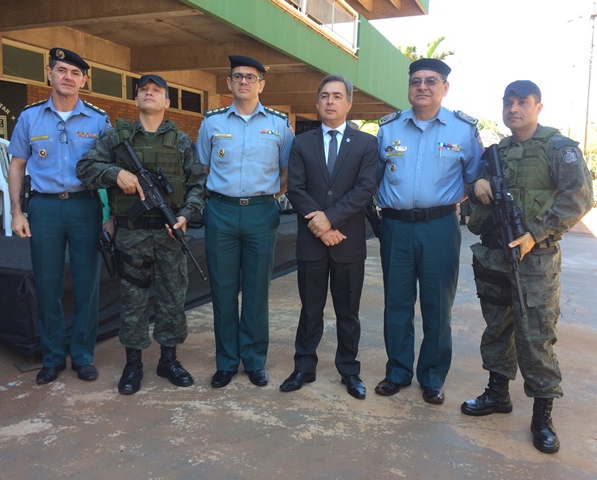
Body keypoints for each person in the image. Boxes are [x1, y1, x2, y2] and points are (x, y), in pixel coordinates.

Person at [462, 80, 594, 454]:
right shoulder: (497, 152)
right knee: (497, 328)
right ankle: (497, 394)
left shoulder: (558, 147)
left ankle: (542, 416)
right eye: (508, 102)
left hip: (535, 261)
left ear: (538, 107)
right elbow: (472, 191)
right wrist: (479, 183)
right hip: (494, 257)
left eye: (522, 102)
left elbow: (579, 197)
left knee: (535, 335)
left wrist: (535, 234)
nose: (514, 109)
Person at [76, 74, 206, 395]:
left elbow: (198, 186)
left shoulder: (181, 141)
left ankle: (168, 360)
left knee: (172, 298)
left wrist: (185, 215)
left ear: (167, 102)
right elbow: (85, 168)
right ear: (135, 100)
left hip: (169, 234)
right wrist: (116, 173)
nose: (149, 94)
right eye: (143, 90)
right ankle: (133, 364)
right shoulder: (118, 136)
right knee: (133, 301)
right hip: (131, 234)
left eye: (156, 90)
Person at [374, 58, 484, 404]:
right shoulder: (388, 128)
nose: (422, 87)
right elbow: (373, 176)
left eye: (431, 81)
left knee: (437, 306)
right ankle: (397, 371)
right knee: (397, 303)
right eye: (416, 81)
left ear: (445, 88)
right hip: (394, 226)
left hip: (439, 227)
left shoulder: (463, 130)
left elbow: (475, 180)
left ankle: (433, 377)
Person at [7, 47, 111, 385]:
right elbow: (17, 165)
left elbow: (111, 169)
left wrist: (111, 216)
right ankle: (52, 358)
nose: (68, 77)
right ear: (49, 74)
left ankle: (82, 356)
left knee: (87, 285)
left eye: (75, 73)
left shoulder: (98, 120)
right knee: (47, 284)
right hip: (45, 208)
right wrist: (16, 212)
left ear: (84, 81)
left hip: (85, 206)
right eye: (62, 70)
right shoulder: (30, 117)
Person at [196, 55, 294, 388]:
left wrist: (264, 197)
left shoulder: (279, 124)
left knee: (256, 291)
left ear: (261, 85)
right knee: (222, 290)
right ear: (229, 83)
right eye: (238, 76)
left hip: (260, 212)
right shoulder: (212, 123)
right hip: (220, 211)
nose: (244, 82)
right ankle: (226, 361)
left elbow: (287, 172)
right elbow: (203, 169)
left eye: (251, 77)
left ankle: (253, 360)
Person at [280, 75, 379, 399]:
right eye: (324, 96)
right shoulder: (301, 143)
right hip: (312, 243)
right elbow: (296, 188)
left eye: (337, 96)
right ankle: (303, 367)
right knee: (310, 310)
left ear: (349, 103)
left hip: (348, 242)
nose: (330, 101)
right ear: (317, 102)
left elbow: (365, 188)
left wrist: (331, 219)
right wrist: (322, 227)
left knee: (348, 313)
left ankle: (349, 370)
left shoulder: (366, 143)